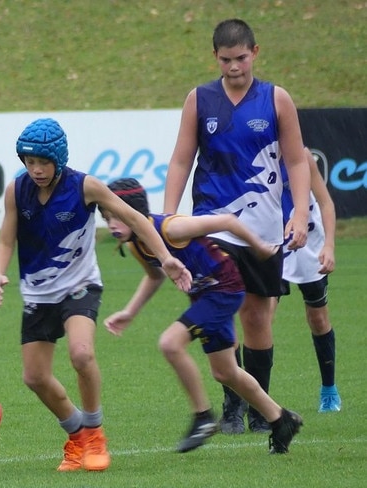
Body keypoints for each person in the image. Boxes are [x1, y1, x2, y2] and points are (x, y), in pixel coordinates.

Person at [0, 118, 192, 472]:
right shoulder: (16, 190)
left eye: (43, 162)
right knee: (34, 378)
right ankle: (76, 435)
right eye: (29, 161)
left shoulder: (85, 186)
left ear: (59, 159)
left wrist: (166, 257)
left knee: (81, 354)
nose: (35, 169)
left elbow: (137, 218)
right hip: (38, 293)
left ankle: (96, 434)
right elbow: (7, 239)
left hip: (79, 285)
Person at [163, 18, 311, 434]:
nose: (234, 67)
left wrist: (299, 214)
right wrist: (170, 217)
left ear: (255, 53)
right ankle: (230, 407)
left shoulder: (276, 99)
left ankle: (261, 411)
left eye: (241, 58)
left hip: (264, 230)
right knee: (220, 311)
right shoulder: (200, 100)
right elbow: (181, 159)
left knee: (258, 318)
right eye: (226, 60)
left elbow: (297, 161)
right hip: (212, 225)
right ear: (215, 57)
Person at [103, 178, 303, 454]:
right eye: (106, 217)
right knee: (225, 371)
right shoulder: (138, 244)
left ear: (133, 212)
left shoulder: (172, 228)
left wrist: (257, 247)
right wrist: (129, 312)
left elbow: (228, 222)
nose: (111, 224)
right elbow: (154, 276)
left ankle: (202, 418)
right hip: (205, 296)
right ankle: (282, 420)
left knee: (170, 343)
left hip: (225, 290)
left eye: (116, 216)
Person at [278, 147, 341, 412]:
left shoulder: (303, 157)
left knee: (318, 318)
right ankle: (258, 405)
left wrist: (329, 246)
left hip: (308, 245)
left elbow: (326, 203)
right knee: (260, 317)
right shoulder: (253, 154)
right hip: (272, 244)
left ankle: (329, 390)